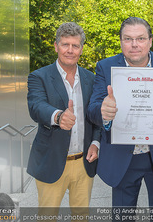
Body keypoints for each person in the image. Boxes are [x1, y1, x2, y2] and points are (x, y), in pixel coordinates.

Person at [88, 17, 153, 210]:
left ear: (150, 41)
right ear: (121, 42)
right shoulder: (106, 66)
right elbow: (93, 109)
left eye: (141, 38)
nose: (134, 44)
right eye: (128, 39)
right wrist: (103, 111)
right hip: (122, 157)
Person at [26, 22, 101, 219]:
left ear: (81, 49)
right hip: (51, 161)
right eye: (65, 44)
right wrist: (58, 116)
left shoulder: (91, 79)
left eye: (75, 46)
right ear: (56, 46)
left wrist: (95, 143)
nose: (70, 50)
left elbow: (95, 118)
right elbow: (36, 107)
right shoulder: (38, 76)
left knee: (81, 216)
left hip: (84, 162)